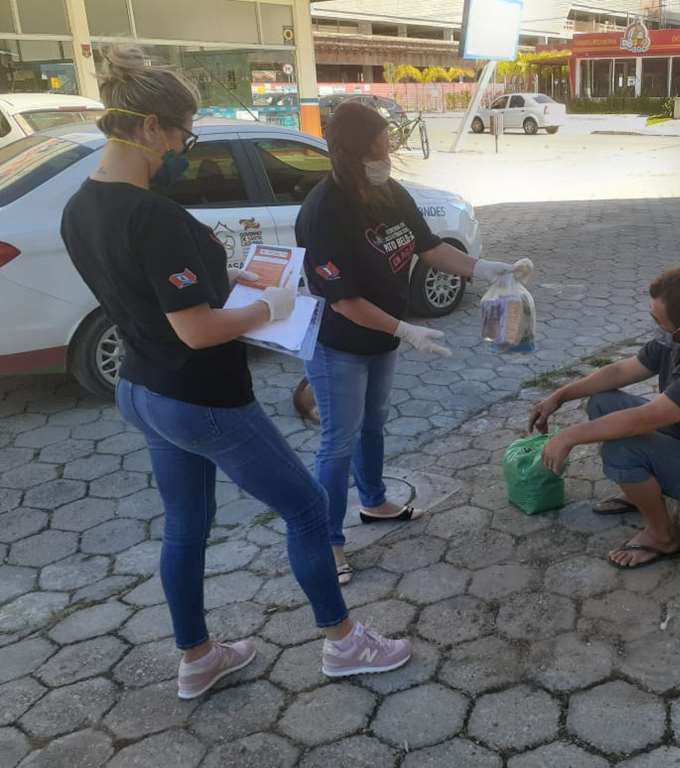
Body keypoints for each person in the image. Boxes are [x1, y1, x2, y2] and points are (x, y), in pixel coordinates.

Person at [60, 46, 410, 700]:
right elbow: (195, 328)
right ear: (150, 129)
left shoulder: (80, 206)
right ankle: (343, 643)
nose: (182, 150)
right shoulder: (151, 214)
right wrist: (266, 306)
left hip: (141, 389)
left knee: (186, 523)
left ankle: (198, 656)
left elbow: (146, 300)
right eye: (183, 135)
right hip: (201, 396)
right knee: (307, 507)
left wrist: (229, 282)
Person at [297, 102, 531, 585]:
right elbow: (342, 302)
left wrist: (484, 269)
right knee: (337, 441)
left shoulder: (387, 191)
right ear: (354, 150)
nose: (388, 153)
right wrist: (405, 330)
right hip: (338, 341)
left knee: (374, 424)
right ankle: (327, 543)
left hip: (381, 337)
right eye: (380, 146)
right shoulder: (324, 211)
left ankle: (375, 501)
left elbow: (429, 247)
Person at [529, 267, 680, 569]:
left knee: (622, 448)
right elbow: (618, 372)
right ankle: (643, 492)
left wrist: (568, 437)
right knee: (603, 402)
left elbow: (644, 419)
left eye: (658, 320)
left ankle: (663, 536)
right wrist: (559, 396)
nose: (654, 325)